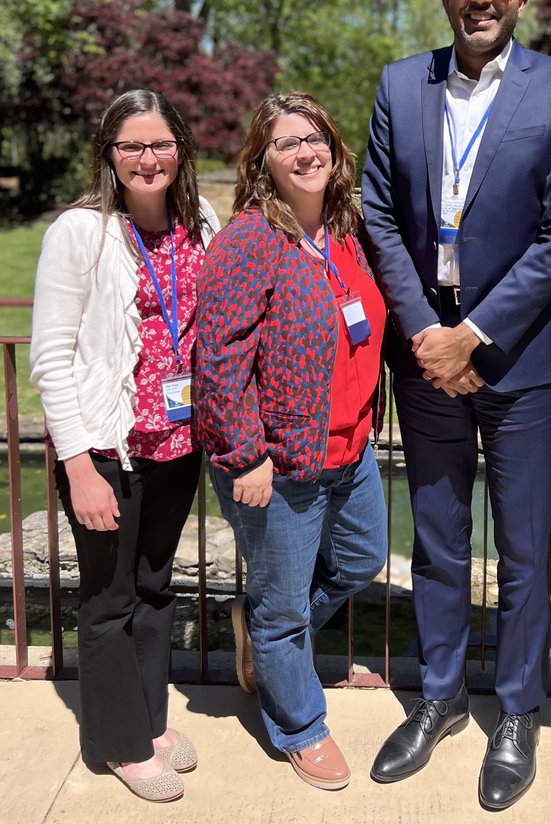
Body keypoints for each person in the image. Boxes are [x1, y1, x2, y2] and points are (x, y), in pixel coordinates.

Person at [361, 0, 551, 810]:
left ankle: (516, 712)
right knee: (436, 540)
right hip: (425, 357)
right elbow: (379, 217)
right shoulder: (398, 84)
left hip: (520, 362)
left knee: (527, 550)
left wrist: (477, 334)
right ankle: (439, 696)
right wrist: (428, 333)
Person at [30, 89, 220, 804]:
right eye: (132, 146)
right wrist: (78, 465)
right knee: (108, 601)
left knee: (155, 585)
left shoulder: (199, 220)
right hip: (107, 448)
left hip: (177, 442)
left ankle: (147, 717)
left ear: (181, 149)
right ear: (109, 154)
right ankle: (118, 742)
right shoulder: (80, 233)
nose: (149, 158)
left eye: (161, 144)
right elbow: (51, 356)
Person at [193, 92, 387, 792]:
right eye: (285, 143)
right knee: (281, 607)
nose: (305, 152)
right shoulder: (249, 240)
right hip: (278, 463)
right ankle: (300, 725)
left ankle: (270, 638)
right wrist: (245, 454)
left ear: (334, 150)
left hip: (351, 450)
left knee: (361, 558)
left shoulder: (346, 230)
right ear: (262, 161)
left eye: (315, 139)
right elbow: (217, 355)